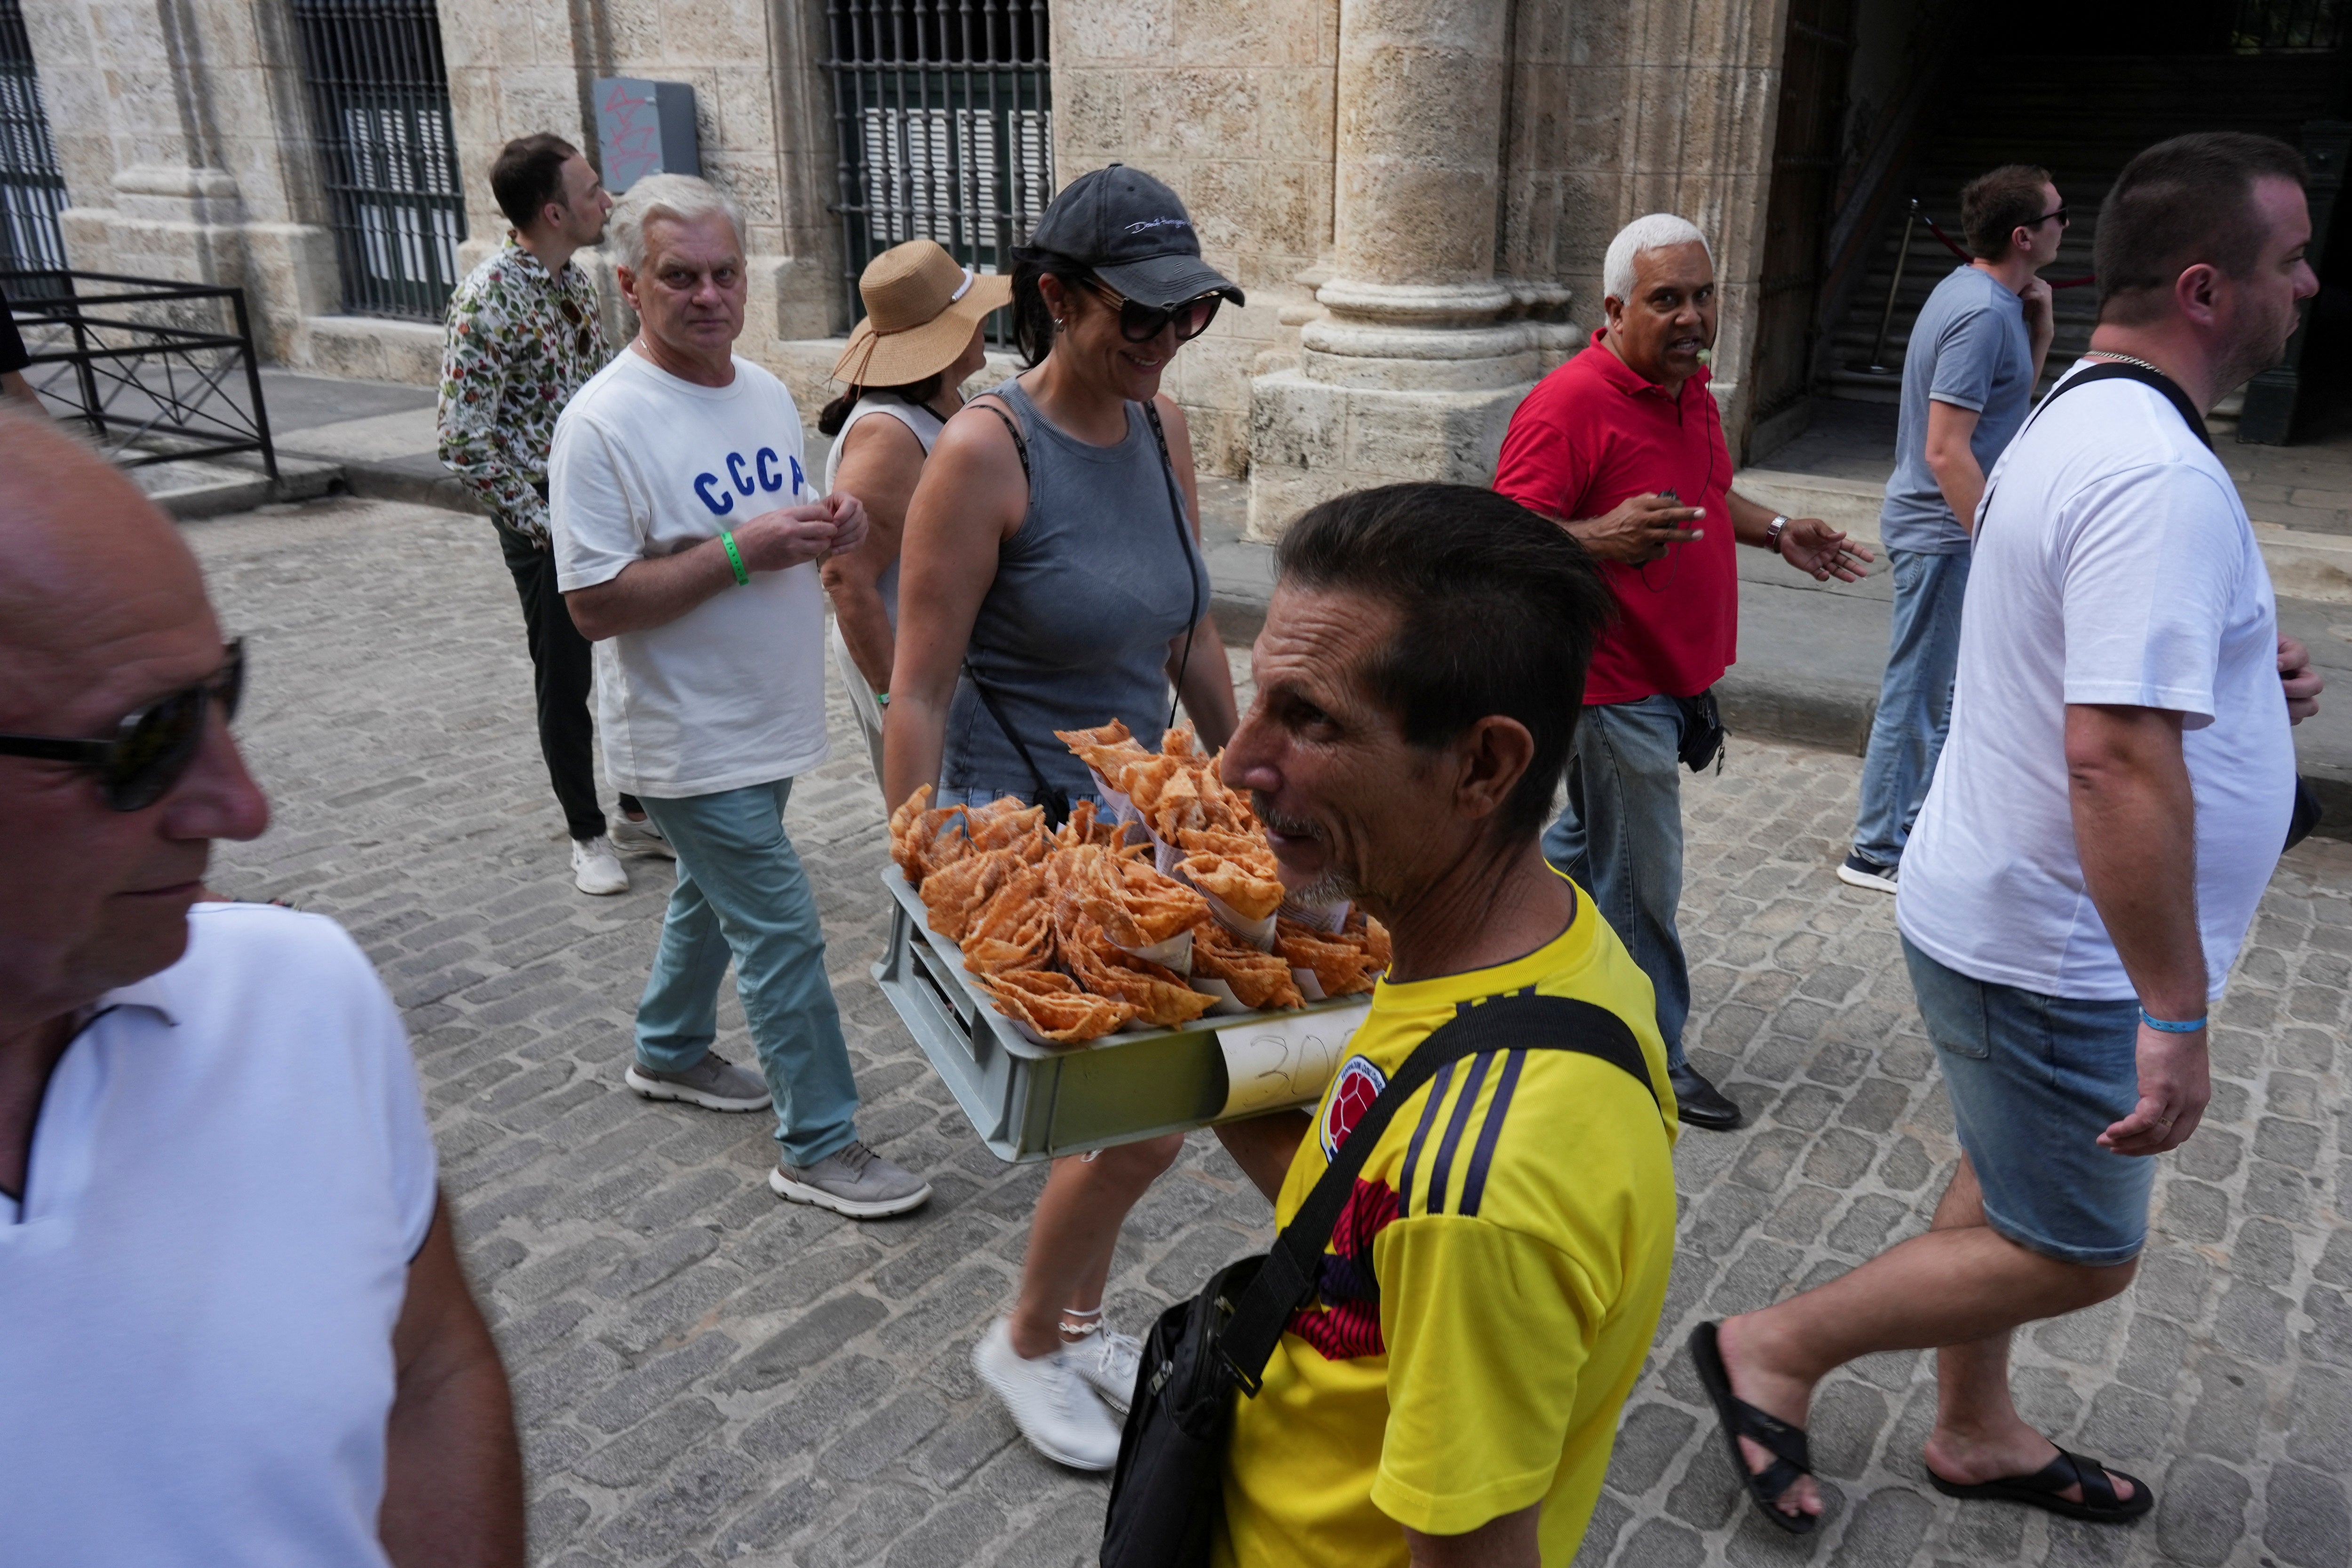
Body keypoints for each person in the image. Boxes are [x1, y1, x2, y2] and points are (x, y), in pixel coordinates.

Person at [1695, 132, 2323, 1536]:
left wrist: (2233, 664)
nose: (2311, 286)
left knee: (2004, 1166)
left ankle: (1973, 1426)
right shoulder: (2145, 467)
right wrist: (2174, 1009)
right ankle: (1772, 1349)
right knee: (2077, 1244)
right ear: (2210, 287)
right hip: (2054, 942)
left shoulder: (2090, 413)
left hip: (2006, 909)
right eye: (2291, 262)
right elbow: (2105, 754)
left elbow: (2081, 642)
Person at [0, 410, 523, 1564]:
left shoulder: (300, 994)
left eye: (221, 695)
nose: (243, 808)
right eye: (143, 743)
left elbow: (429, 1367)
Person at [1208, 482, 1679, 1567]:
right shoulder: (1542, 942)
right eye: (1257, 698)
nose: (1236, 763)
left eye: (1309, 717)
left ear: (1484, 766)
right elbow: (1361, 1223)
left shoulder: (1487, 1195)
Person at [883, 164, 1240, 1470]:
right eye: (1137, 317)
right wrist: (920, 863)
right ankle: (1027, 1336)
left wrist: (1243, 771)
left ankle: (1067, 1313)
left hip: (1134, 832)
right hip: (1020, 835)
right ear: (1057, 296)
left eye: (1185, 316)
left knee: (1162, 1104)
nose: (1161, 341)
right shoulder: (985, 452)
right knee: (1141, 1110)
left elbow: (1193, 624)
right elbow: (916, 685)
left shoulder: (1163, 429)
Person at [549, 173, 931, 1219]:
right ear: (632, 283)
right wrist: (738, 549)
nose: (709, 295)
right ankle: (819, 1141)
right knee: (780, 926)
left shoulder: (760, 391)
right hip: (684, 733)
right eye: (681, 277)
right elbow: (591, 604)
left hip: (767, 720)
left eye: (724, 273)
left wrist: (832, 527)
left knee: (706, 897)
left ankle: (668, 1049)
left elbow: (778, 526)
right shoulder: (602, 424)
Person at [1492, 213, 1873, 1133]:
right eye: (1667, 300)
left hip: (1673, 675)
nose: (1692, 317)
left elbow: (1708, 491)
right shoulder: (1568, 404)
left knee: (1589, 853)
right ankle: (1650, 1060)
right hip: (1607, 685)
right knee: (1642, 885)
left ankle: (1480, 938)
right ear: (1616, 308)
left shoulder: (1689, 390)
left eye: (1703, 296)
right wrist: (1595, 537)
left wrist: (1780, 530)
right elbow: (1495, 540)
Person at [438, 133, 668, 899]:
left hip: (602, 501)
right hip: (545, 523)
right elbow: (462, 439)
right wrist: (545, 527)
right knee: (563, 676)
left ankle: (638, 805)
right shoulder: (488, 297)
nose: (608, 201)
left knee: (634, 657)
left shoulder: (573, 278)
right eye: (594, 190)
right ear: (552, 210)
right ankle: (587, 832)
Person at [1839, 164, 2063, 894]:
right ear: (2025, 236)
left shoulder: (1985, 300)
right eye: (2059, 217)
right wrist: (1995, 539)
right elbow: (1945, 447)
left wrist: (2044, 325)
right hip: (1942, 531)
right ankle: (1876, 848)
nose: (2067, 227)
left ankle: (1915, 826)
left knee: (1940, 687)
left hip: (1945, 528)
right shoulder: (1979, 313)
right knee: (1920, 687)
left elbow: (2002, 406)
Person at [818, 238, 1009, 786]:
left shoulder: (942, 400)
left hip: (936, 665)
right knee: (937, 827)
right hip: (907, 666)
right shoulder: (888, 433)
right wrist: (894, 700)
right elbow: (844, 574)